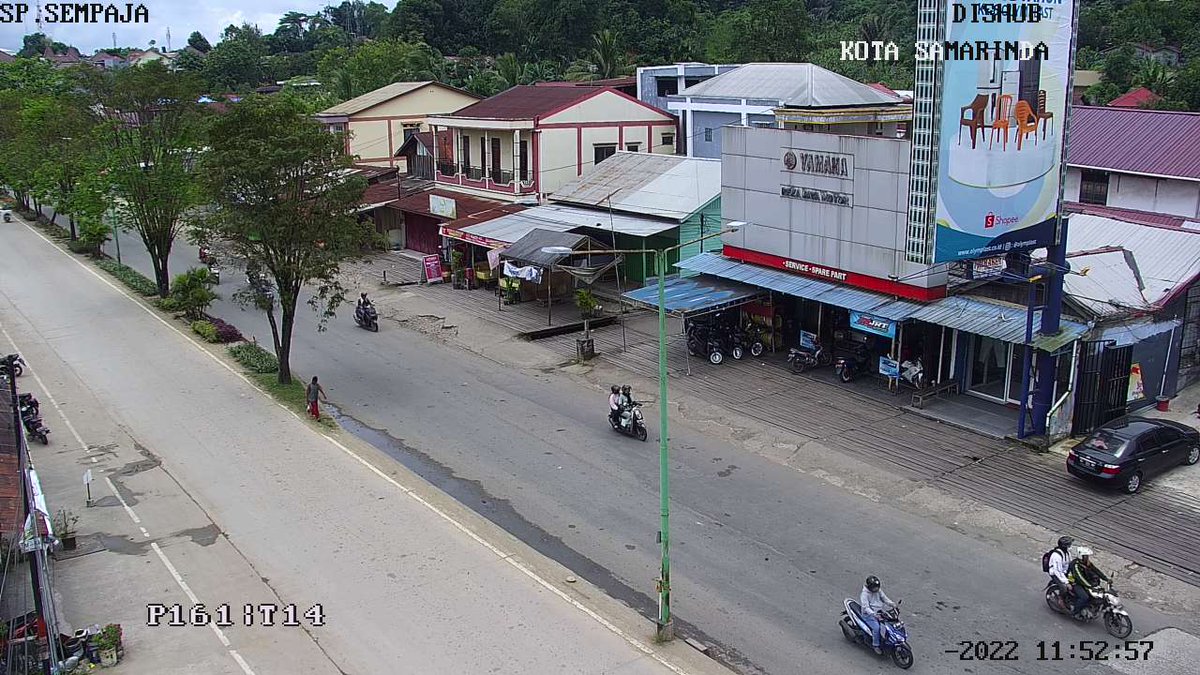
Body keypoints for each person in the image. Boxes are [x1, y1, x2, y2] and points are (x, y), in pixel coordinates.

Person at [1068, 546, 1110, 618]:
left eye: (1087, 556)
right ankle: (1075, 612)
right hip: (1075, 583)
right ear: (1081, 556)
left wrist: (1106, 579)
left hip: (1085, 582)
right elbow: (1080, 578)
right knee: (1084, 597)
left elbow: (1096, 570)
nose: (1087, 558)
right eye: (1085, 556)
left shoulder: (1086, 563)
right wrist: (1090, 586)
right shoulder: (1076, 565)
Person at [859, 575, 895, 654]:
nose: (876, 589)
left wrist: (892, 604)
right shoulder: (864, 594)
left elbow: (884, 598)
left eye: (877, 587)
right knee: (877, 628)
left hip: (879, 612)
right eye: (874, 588)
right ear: (870, 587)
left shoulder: (878, 591)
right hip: (868, 615)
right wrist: (873, 614)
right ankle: (876, 645)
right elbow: (865, 607)